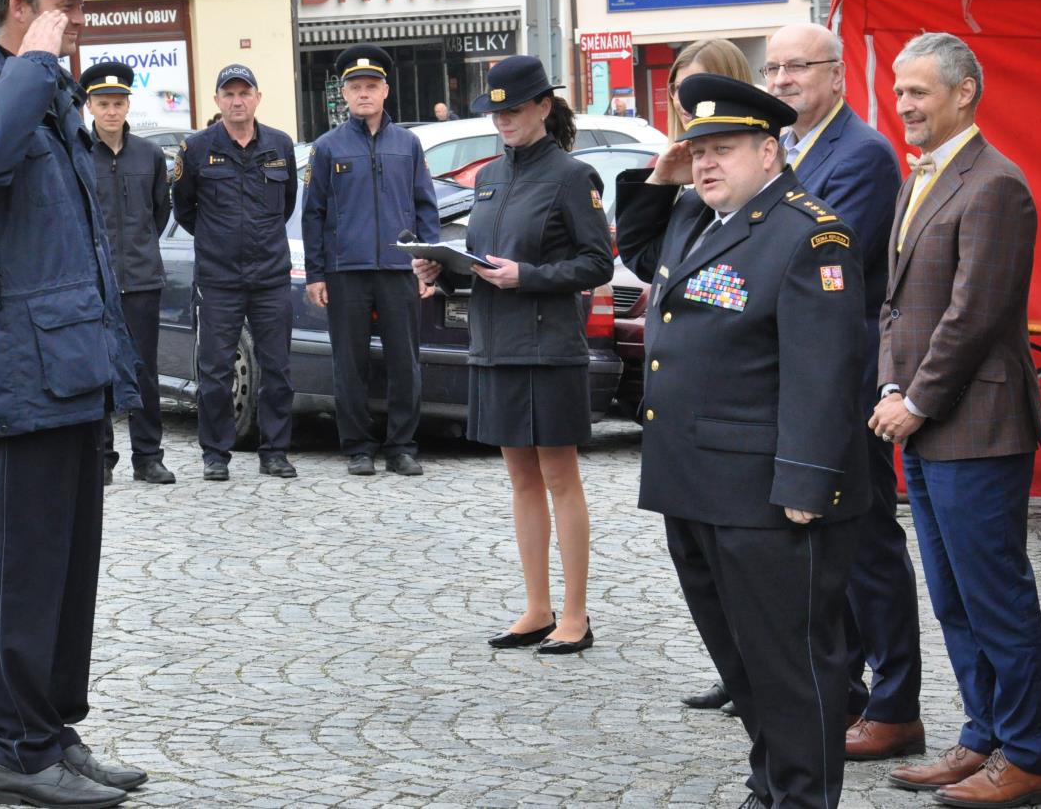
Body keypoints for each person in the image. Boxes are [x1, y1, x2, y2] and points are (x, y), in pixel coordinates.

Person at [0, 0, 148, 808]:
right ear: (22, 9)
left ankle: (54, 730)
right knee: (26, 573)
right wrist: (34, 64)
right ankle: (19, 754)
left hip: (68, 369)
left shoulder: (40, 95)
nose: (79, 28)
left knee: (68, 569)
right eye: (67, 13)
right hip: (20, 380)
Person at [615, 73, 868, 809]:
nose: (705, 163)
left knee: (790, 665)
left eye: (722, 149)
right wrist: (662, 176)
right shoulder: (698, 215)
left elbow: (823, 373)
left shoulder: (807, 232)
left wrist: (805, 486)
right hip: (693, 485)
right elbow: (638, 248)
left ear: (769, 150)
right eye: (697, 149)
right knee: (742, 661)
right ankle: (771, 785)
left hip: (767, 498)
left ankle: (802, 797)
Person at [871, 33, 1041, 808]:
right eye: (899, 90)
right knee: (952, 595)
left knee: (995, 596)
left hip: (976, 426)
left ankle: (1029, 756)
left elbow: (972, 316)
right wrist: (889, 383)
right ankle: (983, 737)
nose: (903, 104)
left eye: (918, 91)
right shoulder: (924, 177)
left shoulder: (996, 185)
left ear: (965, 91)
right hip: (926, 423)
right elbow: (896, 306)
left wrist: (912, 402)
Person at [411, 54, 612, 655]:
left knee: (559, 476)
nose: (502, 120)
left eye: (513, 109)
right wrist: (443, 273)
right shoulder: (491, 177)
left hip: (548, 348)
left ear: (543, 108)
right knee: (520, 479)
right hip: (495, 344)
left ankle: (575, 614)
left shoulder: (573, 177)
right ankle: (536, 606)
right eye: (495, 110)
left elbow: (597, 263)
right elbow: (483, 262)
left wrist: (528, 275)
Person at [764, 22, 925, 761]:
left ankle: (895, 706)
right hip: (805, 375)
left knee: (868, 546)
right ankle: (850, 690)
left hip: (852, 376)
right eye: (773, 69)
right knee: (829, 547)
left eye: (798, 67)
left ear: (836, 76)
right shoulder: (792, 150)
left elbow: (820, 257)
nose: (782, 80)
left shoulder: (860, 154)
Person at [662, 36, 751, 715]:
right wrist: (664, 178)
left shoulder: (762, 200)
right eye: (680, 98)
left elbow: (740, 294)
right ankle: (739, 676)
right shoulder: (696, 191)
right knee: (699, 569)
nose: (692, 120)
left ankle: (811, 696)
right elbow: (646, 257)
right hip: (685, 431)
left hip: (738, 426)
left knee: (758, 584)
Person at [302, 44, 439, 477]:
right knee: (350, 363)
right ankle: (358, 447)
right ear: (343, 93)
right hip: (346, 271)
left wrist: (428, 263)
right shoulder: (327, 148)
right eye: (355, 87)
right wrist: (316, 273)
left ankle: (402, 446)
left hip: (400, 269)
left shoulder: (409, 144)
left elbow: (425, 207)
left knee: (405, 363)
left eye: (371, 86)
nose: (364, 93)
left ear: (385, 91)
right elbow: (313, 214)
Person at [171, 63, 298, 482]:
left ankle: (275, 451)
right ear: (217, 101)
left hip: (270, 277)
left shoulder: (280, 145)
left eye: (245, 93)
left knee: (277, 368)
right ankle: (216, 454)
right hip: (219, 278)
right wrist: (218, 240)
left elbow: (287, 206)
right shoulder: (196, 148)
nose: (237, 100)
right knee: (215, 370)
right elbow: (184, 208)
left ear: (258, 98)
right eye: (229, 94)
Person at [80, 60, 175, 486]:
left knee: (143, 371)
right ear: (90, 106)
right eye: (103, 103)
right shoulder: (79, 154)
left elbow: (160, 212)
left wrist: (138, 251)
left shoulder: (149, 155)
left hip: (140, 280)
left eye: (118, 103)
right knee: (97, 370)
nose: (112, 112)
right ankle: (101, 456)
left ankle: (148, 456)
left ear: (128, 105)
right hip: (95, 280)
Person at [665, 38, 750, 142]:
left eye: (697, 89)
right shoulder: (665, 158)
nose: (684, 99)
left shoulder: (760, 155)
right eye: (678, 88)